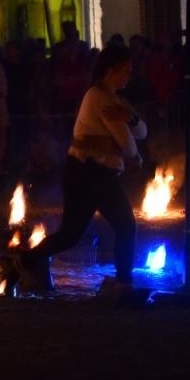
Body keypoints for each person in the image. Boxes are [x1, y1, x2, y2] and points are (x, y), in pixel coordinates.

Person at [10, 45, 147, 294]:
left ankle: (24, 261)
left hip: (97, 174)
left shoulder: (116, 99)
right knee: (113, 227)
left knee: (74, 234)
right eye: (125, 71)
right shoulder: (99, 97)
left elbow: (141, 130)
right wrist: (135, 157)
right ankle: (124, 282)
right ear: (110, 70)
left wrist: (130, 117)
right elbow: (126, 140)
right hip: (88, 173)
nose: (128, 76)